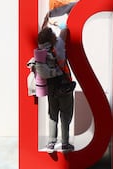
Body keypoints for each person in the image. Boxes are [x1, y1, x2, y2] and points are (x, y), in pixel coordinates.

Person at [35, 22, 75, 153]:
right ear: (52, 37)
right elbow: (65, 31)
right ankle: (65, 143)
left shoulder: (40, 49)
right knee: (66, 115)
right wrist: (60, 25)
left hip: (51, 88)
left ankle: (51, 143)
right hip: (64, 87)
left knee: (53, 115)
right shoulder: (58, 46)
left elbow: (43, 35)